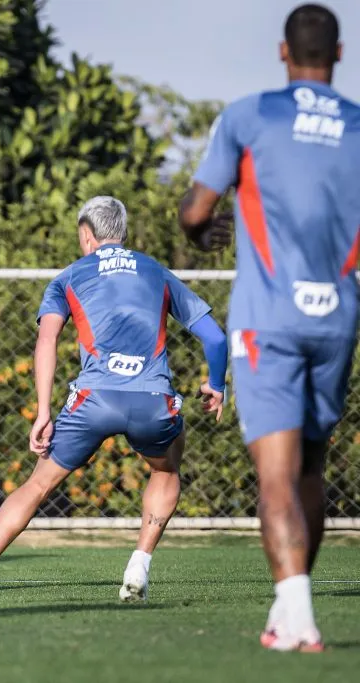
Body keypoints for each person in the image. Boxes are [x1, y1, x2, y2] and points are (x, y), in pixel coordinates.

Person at [178, 3, 359, 653]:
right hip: (337, 316)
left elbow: (199, 209)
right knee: (312, 467)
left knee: (277, 475)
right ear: (338, 55)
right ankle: (292, 608)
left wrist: (201, 227)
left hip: (269, 318)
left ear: (284, 53)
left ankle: (299, 617)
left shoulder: (251, 115)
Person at [0, 196, 226, 603]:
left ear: (87, 236)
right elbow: (215, 337)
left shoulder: (69, 276)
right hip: (152, 399)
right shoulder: (157, 272)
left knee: (37, 484)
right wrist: (215, 384)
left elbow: (47, 340)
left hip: (93, 401)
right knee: (166, 470)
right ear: (123, 233)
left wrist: (43, 411)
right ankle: (139, 563)